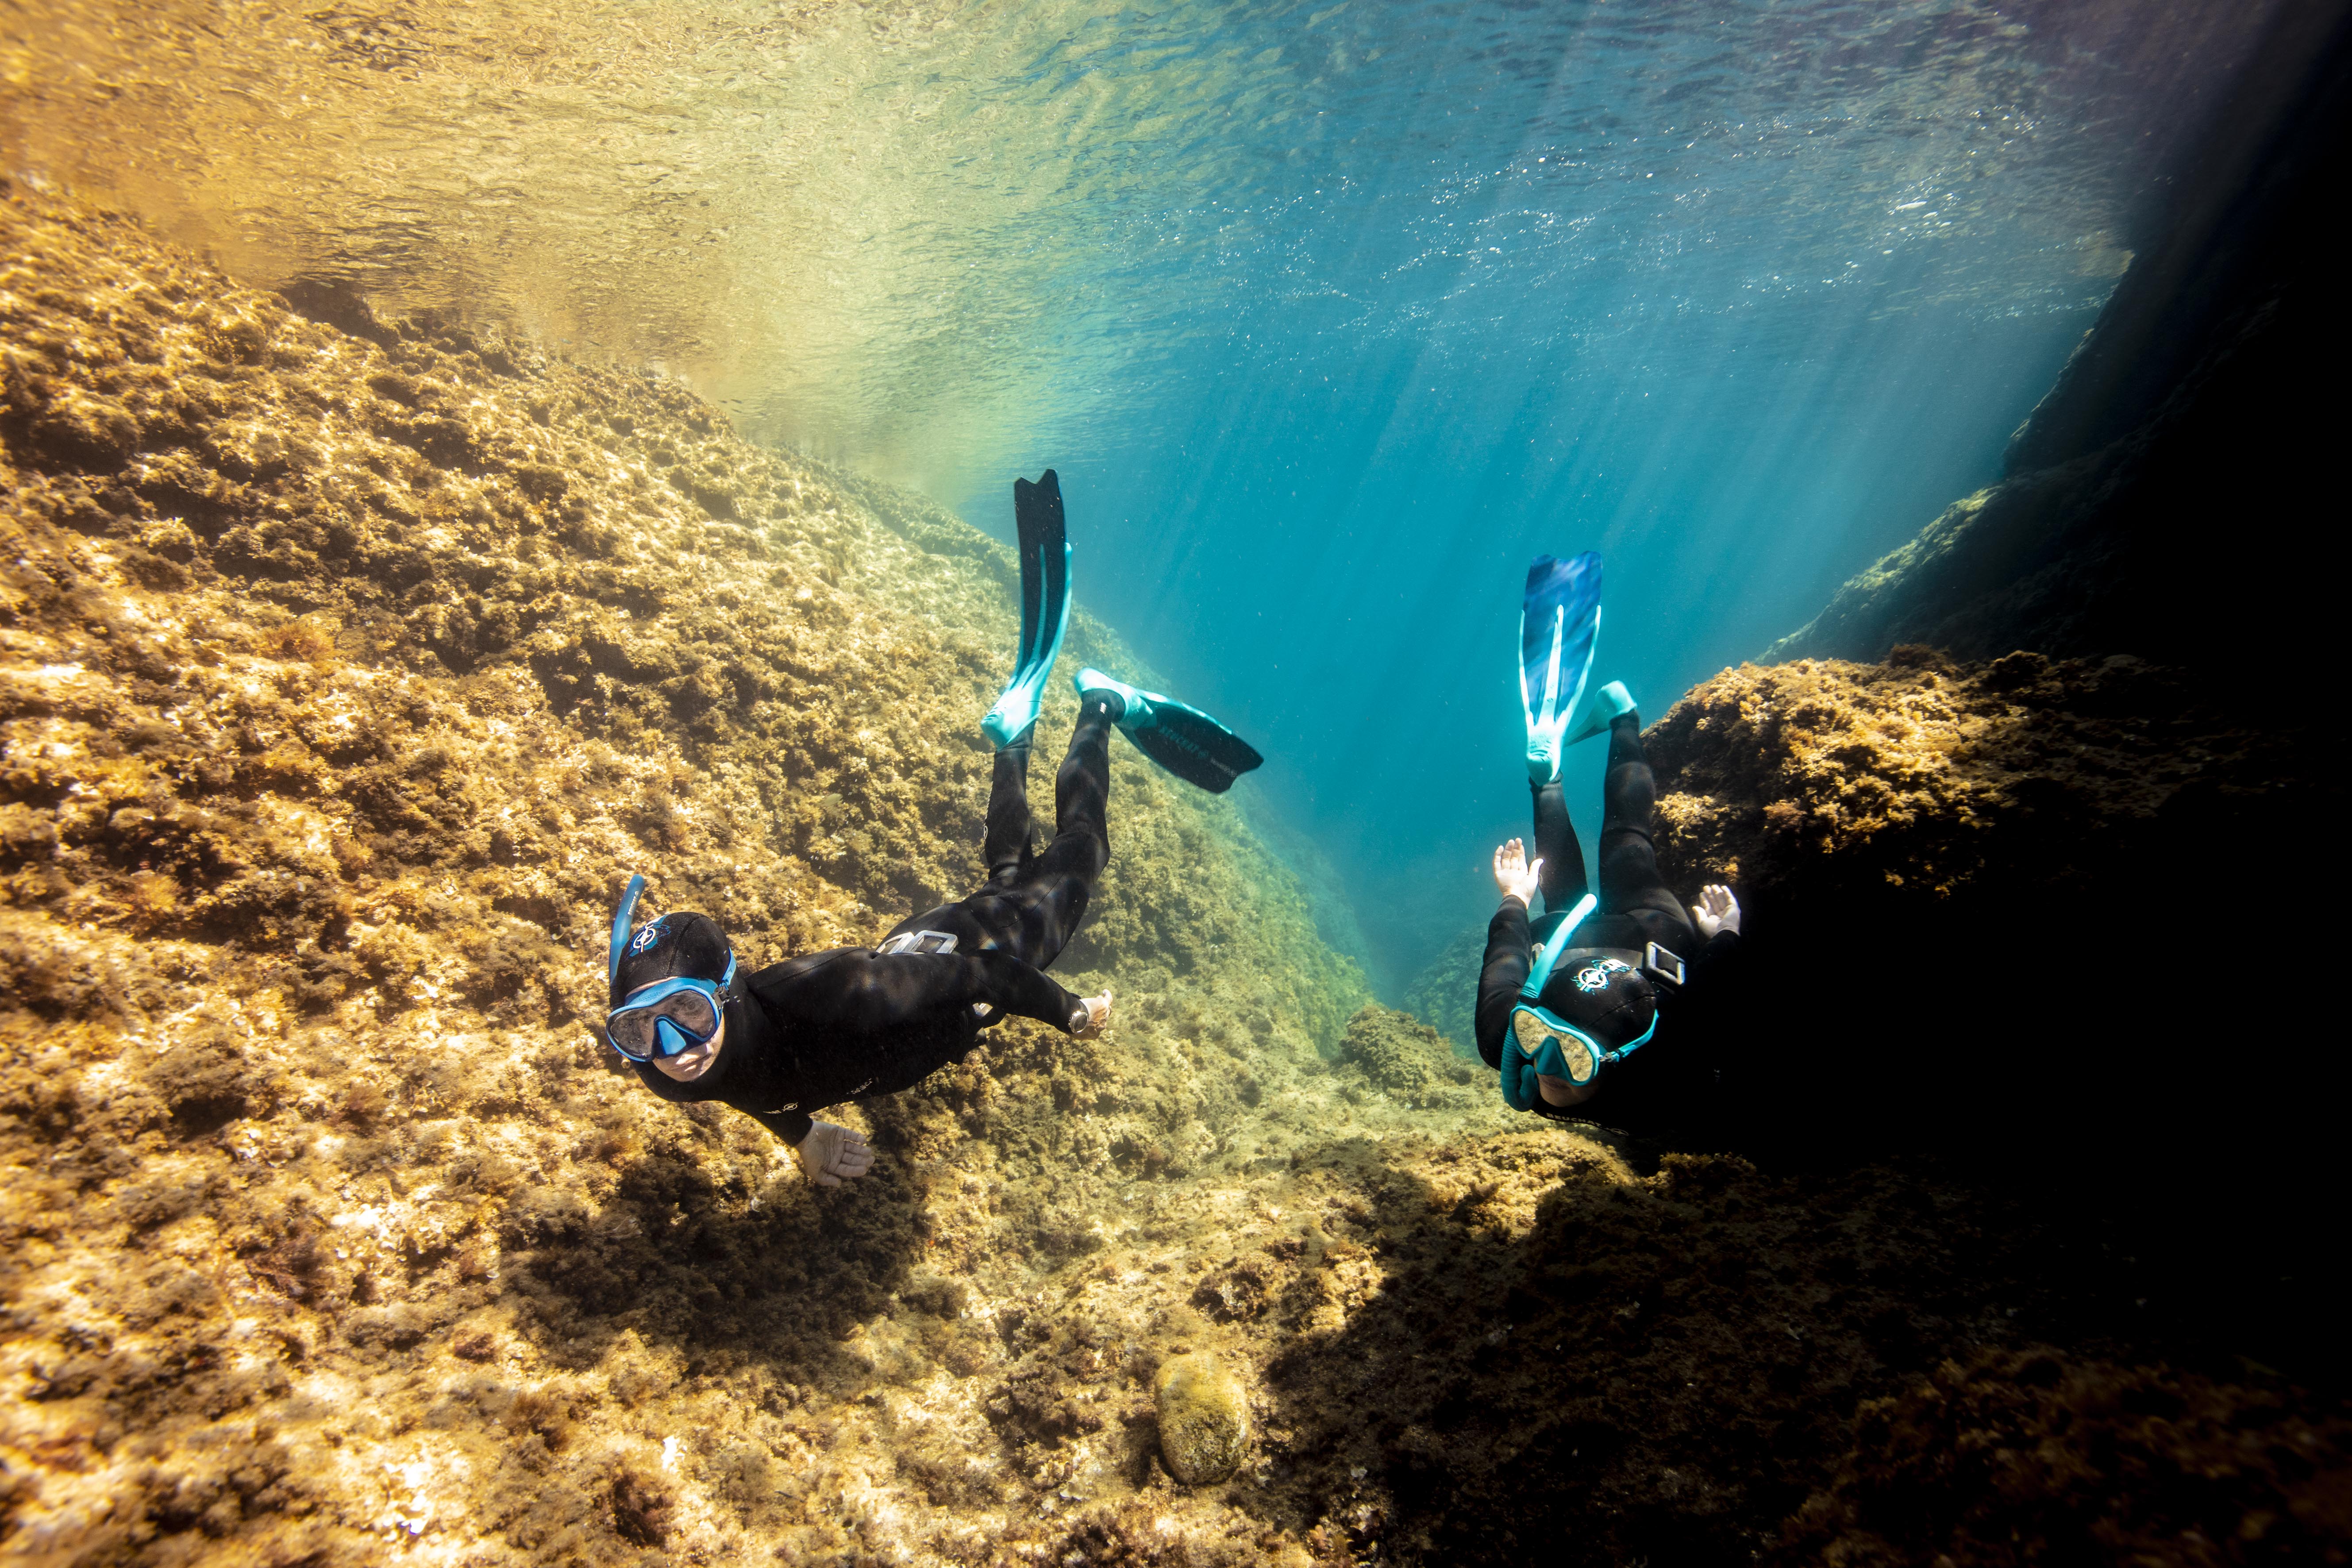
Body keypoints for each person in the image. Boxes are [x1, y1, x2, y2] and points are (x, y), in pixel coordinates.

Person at [601, 471, 1263, 1186]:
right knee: (1004, 879)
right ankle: (1013, 736)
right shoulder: (665, 1070)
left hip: (973, 961)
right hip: (921, 948)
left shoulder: (831, 995)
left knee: (1083, 852)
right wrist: (804, 1134)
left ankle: (1101, 706)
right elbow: (739, 1076)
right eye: (638, 1029)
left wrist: (1068, 1011)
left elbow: (984, 974)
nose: (673, 1046)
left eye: (687, 1012)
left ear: (726, 991)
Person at [1475, 552, 1741, 1117]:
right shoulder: (1661, 1073)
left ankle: (1622, 718)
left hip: (1643, 938)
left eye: (1572, 1053)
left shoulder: (1511, 1040)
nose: (1546, 1064)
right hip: (1611, 941)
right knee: (1580, 882)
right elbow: (1708, 1000)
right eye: (1548, 1038)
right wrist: (1723, 935)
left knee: (1628, 842)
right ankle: (1547, 782)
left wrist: (1513, 901)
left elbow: (1708, 998)